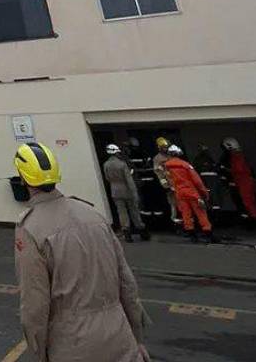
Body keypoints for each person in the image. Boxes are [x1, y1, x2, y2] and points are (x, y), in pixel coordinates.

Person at [13, 142, 151, 362]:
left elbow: (34, 305)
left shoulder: (30, 229)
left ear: (22, 177)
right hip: (120, 337)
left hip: (71, 344)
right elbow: (127, 284)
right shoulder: (93, 215)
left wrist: (39, 353)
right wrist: (137, 338)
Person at [164, 146, 217, 243]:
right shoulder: (185, 165)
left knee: (186, 213)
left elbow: (168, 180)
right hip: (191, 191)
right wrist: (204, 193)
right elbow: (197, 181)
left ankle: (191, 234)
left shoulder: (167, 166)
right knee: (201, 212)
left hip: (179, 192)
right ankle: (208, 233)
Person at [102, 144, 149, 242]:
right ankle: (141, 230)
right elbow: (129, 180)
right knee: (134, 211)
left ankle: (126, 232)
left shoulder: (106, 164)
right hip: (126, 190)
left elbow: (107, 178)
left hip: (115, 190)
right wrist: (134, 193)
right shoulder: (122, 164)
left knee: (121, 212)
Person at [221, 138, 256, 225]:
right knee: (250, 201)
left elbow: (238, 169)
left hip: (242, 181)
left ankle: (255, 220)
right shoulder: (239, 155)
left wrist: (226, 169)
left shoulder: (236, 156)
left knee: (247, 201)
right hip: (243, 180)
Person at [151, 137, 180, 226]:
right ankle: (175, 223)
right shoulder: (157, 158)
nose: (166, 148)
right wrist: (166, 185)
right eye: (163, 147)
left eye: (166, 147)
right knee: (173, 204)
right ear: (159, 148)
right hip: (169, 184)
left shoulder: (171, 155)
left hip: (178, 183)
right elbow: (159, 173)